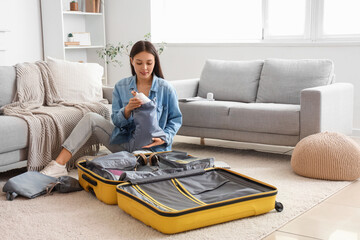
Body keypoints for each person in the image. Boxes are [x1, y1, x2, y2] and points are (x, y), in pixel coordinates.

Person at [40, 40, 182, 178]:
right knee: (91, 118)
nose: (144, 68)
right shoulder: (121, 86)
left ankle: (115, 161)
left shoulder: (166, 89)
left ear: (155, 62)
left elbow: (175, 119)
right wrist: (126, 110)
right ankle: (58, 165)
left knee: (141, 172)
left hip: (153, 150)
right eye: (139, 63)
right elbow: (116, 121)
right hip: (125, 144)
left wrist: (164, 138)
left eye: (149, 63)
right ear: (132, 61)